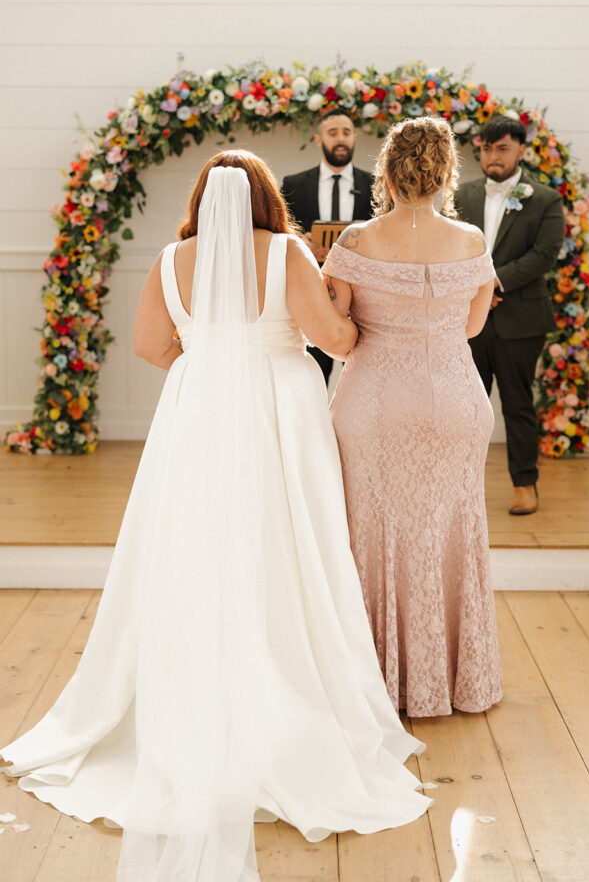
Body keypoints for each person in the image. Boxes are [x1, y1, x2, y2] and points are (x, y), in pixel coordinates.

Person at [1, 152, 430, 882]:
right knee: (291, 542)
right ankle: (294, 680)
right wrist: (344, 310)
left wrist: (213, 361)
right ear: (268, 197)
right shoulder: (289, 249)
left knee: (196, 543)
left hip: (197, 408)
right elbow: (335, 339)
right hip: (280, 409)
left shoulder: (172, 258)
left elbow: (146, 344)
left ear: (202, 200)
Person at [322, 116, 503, 719]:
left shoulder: (353, 242)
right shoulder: (473, 240)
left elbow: (338, 338)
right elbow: (473, 327)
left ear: (388, 172)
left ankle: (379, 682)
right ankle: (456, 681)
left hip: (374, 399)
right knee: (451, 530)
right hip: (455, 398)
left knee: (374, 533)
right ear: (447, 173)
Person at [454, 115, 565, 515]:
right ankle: (463, 489)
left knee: (518, 405)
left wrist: (493, 284)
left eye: (502, 148)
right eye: (486, 148)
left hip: (521, 319)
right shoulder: (461, 195)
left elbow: (544, 255)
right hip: (469, 321)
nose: (493, 156)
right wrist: (475, 289)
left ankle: (525, 484)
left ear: (520, 149)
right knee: (467, 407)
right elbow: (451, 249)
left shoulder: (545, 198)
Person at [281, 107, 373, 383]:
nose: (340, 139)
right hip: (311, 294)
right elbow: (282, 234)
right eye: (333, 133)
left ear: (354, 137)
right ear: (319, 140)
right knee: (312, 381)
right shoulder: (294, 184)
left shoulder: (374, 184)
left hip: (363, 299)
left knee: (360, 382)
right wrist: (302, 242)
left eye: (346, 132)